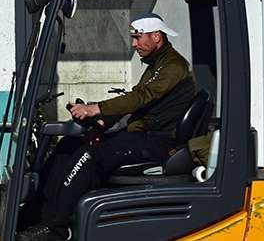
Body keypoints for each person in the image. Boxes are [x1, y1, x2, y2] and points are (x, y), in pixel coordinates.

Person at [19, 13, 197, 241]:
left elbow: (142, 97)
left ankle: (56, 229)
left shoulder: (173, 66)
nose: (134, 44)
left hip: (157, 142)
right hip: (141, 135)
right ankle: (35, 215)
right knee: (68, 145)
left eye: (137, 37)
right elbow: (137, 104)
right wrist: (102, 123)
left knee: (88, 156)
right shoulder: (157, 64)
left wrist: (96, 109)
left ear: (156, 37)